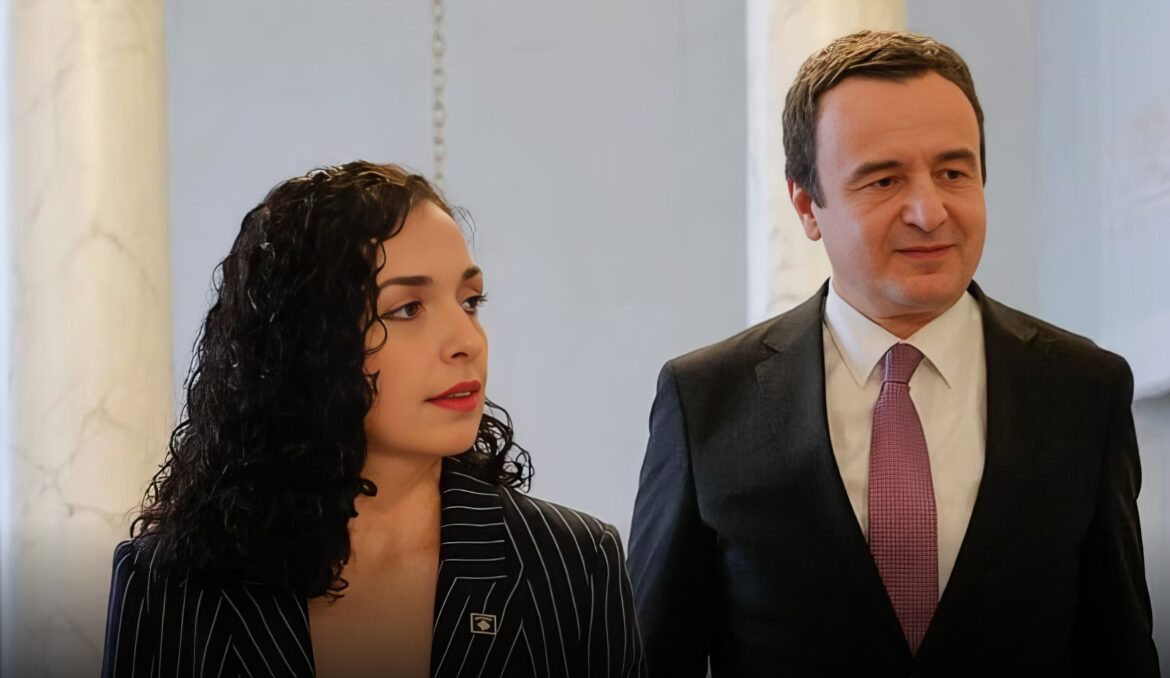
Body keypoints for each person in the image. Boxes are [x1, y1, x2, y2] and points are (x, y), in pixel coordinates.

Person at [628, 30, 1159, 677]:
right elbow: (652, 658)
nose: (929, 212)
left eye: (953, 173)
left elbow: (1119, 648)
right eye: (883, 180)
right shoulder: (705, 400)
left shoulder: (1084, 390)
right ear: (807, 206)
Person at [101, 162, 645, 677]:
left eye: (470, 301)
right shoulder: (166, 582)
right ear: (308, 344)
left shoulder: (574, 565)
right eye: (408, 309)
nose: (468, 341)